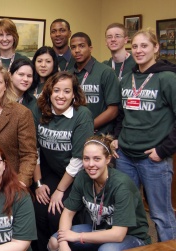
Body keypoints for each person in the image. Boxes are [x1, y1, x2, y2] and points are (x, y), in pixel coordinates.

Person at [112, 29, 176, 242]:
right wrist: (116, 138)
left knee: (160, 215)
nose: (139, 51)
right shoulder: (128, 78)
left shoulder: (167, 78)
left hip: (153, 159)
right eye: (135, 47)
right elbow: (122, 115)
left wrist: (163, 150)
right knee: (127, 212)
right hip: (125, 158)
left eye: (144, 46)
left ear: (156, 48)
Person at [47, 135, 151, 251]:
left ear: (108, 159)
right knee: (54, 242)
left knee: (107, 249)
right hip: (99, 229)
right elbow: (68, 213)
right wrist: (63, 244)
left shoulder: (122, 185)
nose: (91, 164)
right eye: (86, 158)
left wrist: (78, 236)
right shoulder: (82, 177)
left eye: (97, 159)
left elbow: (118, 234)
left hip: (131, 236)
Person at [32, 71, 94, 251]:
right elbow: (33, 149)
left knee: (55, 212)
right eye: (56, 90)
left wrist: (59, 190)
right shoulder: (38, 110)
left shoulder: (82, 115)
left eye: (67, 91)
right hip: (51, 171)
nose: (61, 96)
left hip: (77, 175)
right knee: (39, 211)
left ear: (74, 94)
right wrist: (38, 184)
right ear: (49, 92)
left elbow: (78, 159)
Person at [69, 32, 120, 135]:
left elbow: (113, 110)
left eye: (81, 46)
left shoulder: (105, 72)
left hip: (99, 134)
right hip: (74, 133)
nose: (77, 50)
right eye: (73, 47)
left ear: (90, 48)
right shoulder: (68, 75)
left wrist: (89, 126)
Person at [9, 58, 40, 127]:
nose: (25, 79)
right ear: (10, 76)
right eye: (21, 74)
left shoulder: (33, 102)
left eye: (29, 76)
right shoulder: (0, 98)